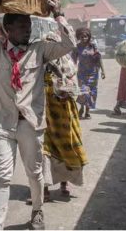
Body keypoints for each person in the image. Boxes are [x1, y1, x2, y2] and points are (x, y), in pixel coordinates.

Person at [0, 0, 76, 230]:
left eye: (29, 26)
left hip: (31, 124)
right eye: (22, 27)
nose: (28, 31)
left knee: (35, 173)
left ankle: (37, 211)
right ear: (8, 29)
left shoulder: (40, 50)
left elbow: (69, 45)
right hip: (4, 125)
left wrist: (58, 14)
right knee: (2, 176)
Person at [39, 33, 87, 202]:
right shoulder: (39, 61)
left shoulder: (65, 61)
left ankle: (63, 185)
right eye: (47, 44)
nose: (49, 48)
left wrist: (60, 78)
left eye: (52, 44)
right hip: (44, 113)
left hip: (63, 113)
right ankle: (44, 188)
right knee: (44, 149)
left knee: (65, 146)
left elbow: (73, 87)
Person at [72, 28, 105, 120]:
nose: (84, 38)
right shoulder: (76, 47)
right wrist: (71, 72)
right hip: (81, 73)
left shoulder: (93, 46)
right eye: (82, 37)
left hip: (93, 73)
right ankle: (81, 108)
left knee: (91, 92)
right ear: (79, 37)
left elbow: (99, 58)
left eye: (86, 37)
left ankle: (87, 111)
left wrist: (103, 71)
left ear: (88, 37)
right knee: (83, 91)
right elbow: (73, 61)